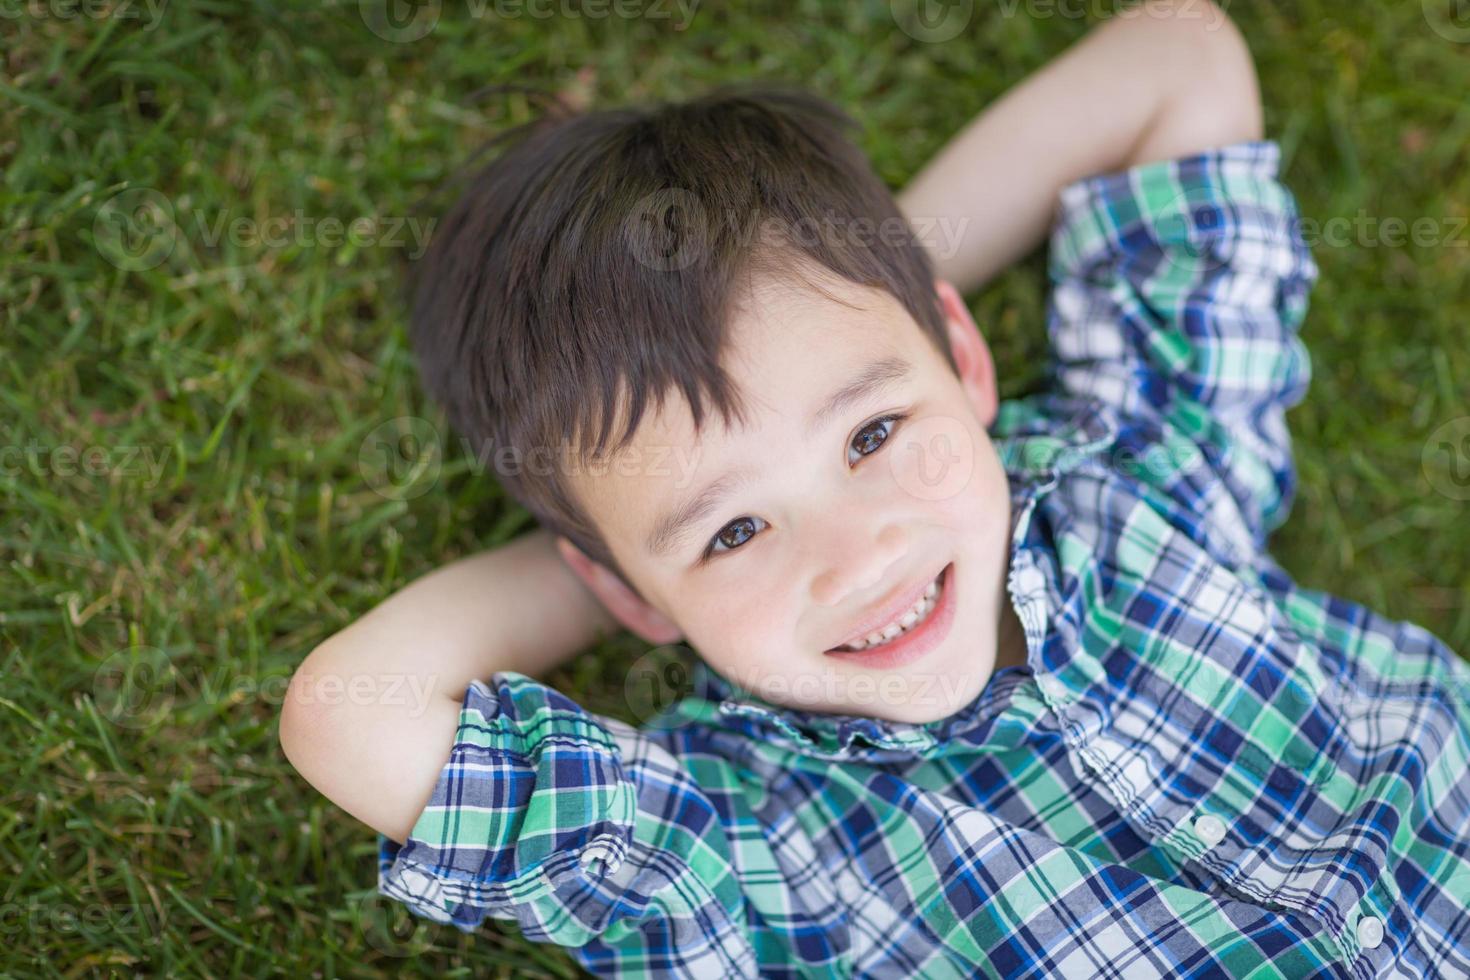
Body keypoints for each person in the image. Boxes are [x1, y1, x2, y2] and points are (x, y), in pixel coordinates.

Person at [279, 1, 1470, 975]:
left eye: (871, 430)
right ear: (630, 593)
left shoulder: (1136, 463)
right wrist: (621, 571)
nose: (855, 554)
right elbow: (350, 709)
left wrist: (857, 280)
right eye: (736, 527)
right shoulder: (754, 853)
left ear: (962, 357)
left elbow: (1176, 55)